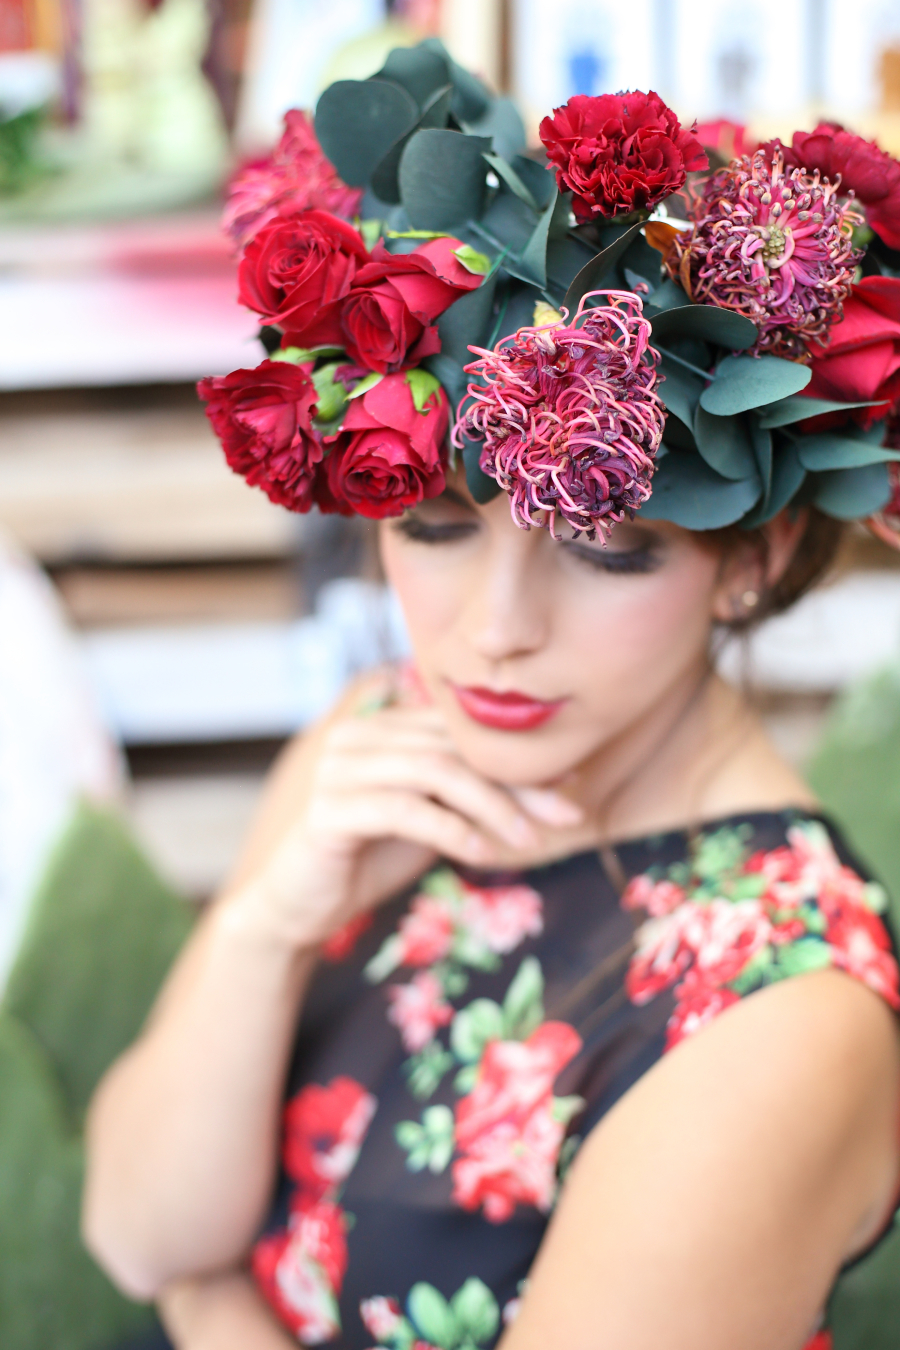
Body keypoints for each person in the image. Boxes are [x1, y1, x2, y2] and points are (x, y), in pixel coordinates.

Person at [82, 42, 900, 1350]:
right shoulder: (384, 742)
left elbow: (173, 1267)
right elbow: (136, 1224)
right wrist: (266, 924)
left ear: (755, 559)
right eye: (438, 527)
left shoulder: (779, 1011)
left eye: (604, 546)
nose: (495, 636)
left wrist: (205, 1300)